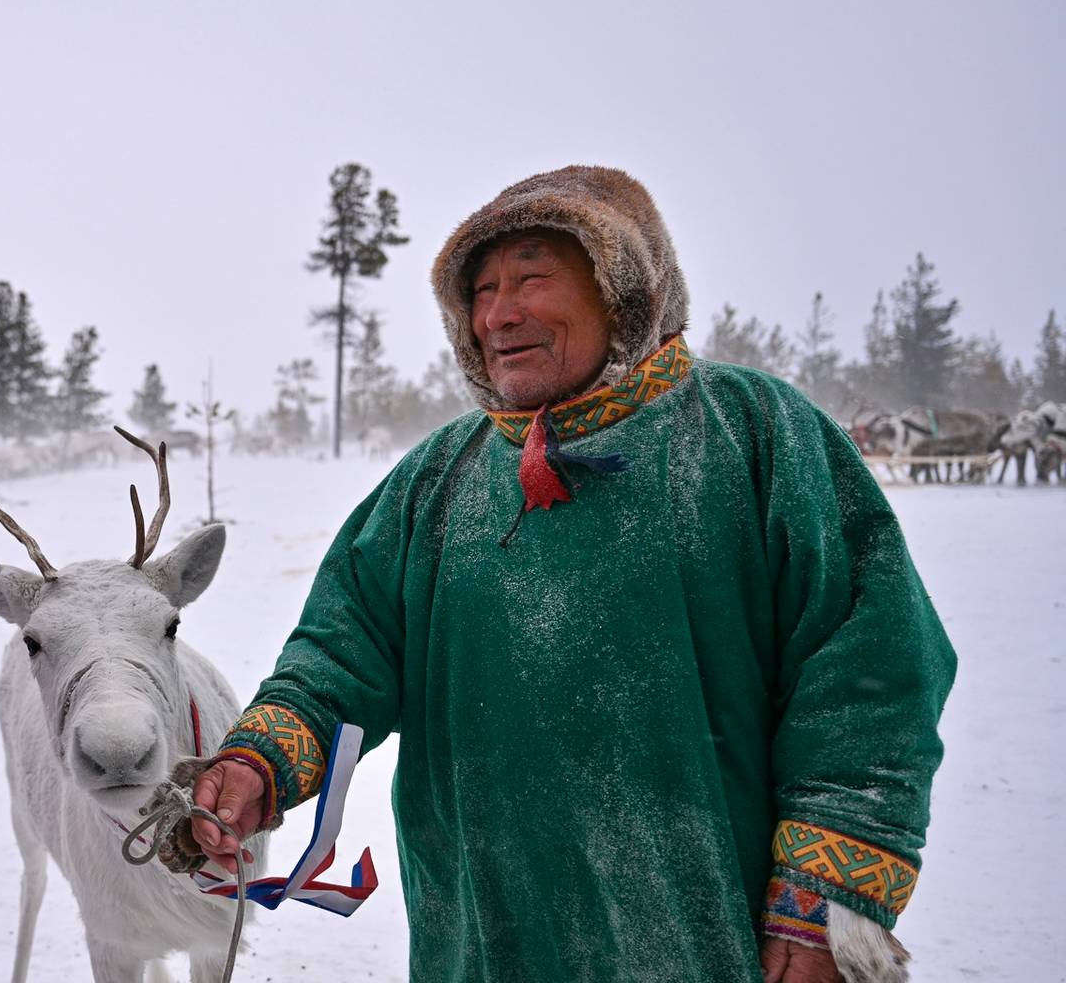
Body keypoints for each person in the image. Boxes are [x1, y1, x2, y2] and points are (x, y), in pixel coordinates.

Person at [185, 166, 955, 981]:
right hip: (484, 942)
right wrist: (256, 763)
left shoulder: (754, 435)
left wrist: (821, 905)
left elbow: (870, 674)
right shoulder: (438, 481)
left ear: (623, 290)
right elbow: (342, 658)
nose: (498, 314)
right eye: (480, 291)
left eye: (531, 277)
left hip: (711, 944)